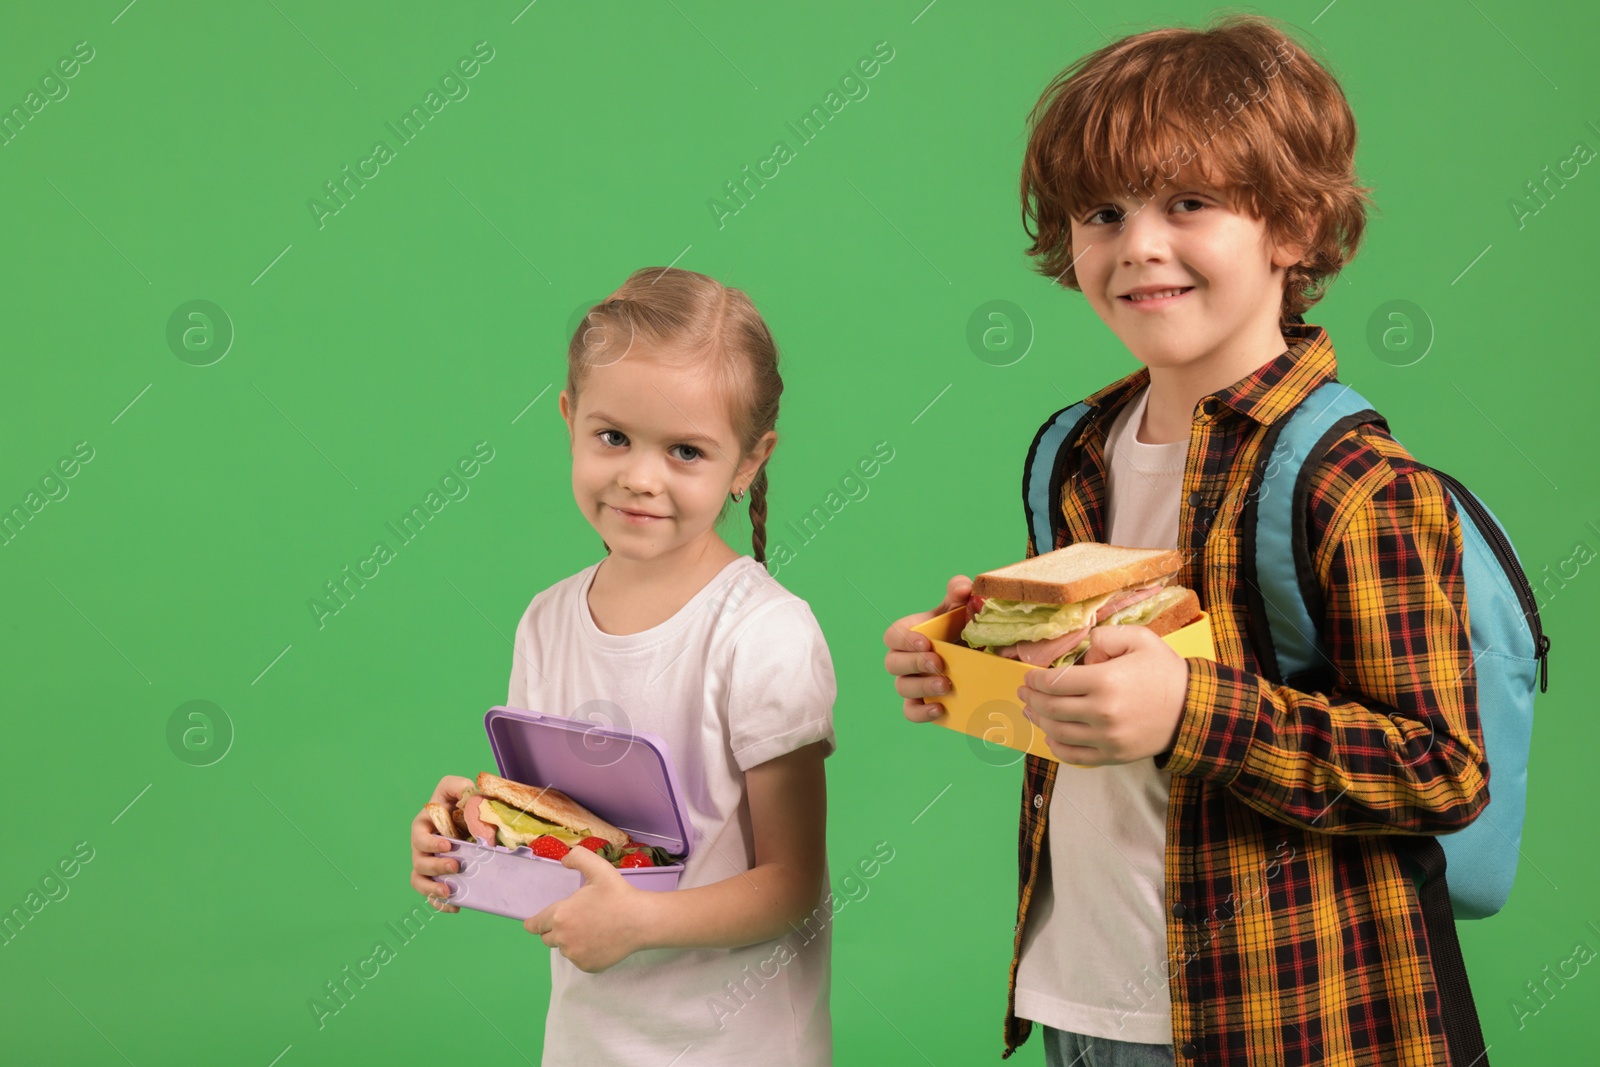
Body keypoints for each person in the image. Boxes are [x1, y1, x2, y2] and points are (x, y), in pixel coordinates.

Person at [883, 16, 1485, 1067]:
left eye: (1188, 203)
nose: (1137, 245)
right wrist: (980, 668)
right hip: (1076, 986)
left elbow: (1440, 768)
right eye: (1103, 212)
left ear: (1292, 226)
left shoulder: (1355, 483)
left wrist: (1186, 707)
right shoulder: (1073, 449)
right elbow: (1097, 709)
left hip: (1278, 1014)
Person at [409, 267, 837, 1065]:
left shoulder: (766, 635)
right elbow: (579, 829)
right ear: (570, 419)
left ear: (748, 461)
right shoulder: (545, 621)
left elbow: (792, 881)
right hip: (588, 1045)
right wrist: (469, 830)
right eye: (614, 437)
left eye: (685, 450)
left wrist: (641, 923)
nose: (641, 477)